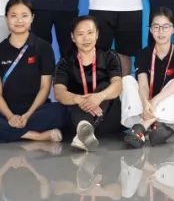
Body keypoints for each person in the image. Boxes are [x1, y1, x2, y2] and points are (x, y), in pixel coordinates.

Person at [0, 0, 66, 144]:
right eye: (13, 16)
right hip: (5, 111)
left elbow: (45, 88)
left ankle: (1, 132)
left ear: (32, 18)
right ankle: (35, 136)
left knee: (61, 111)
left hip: (35, 109)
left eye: (24, 15)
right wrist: (10, 117)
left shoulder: (44, 48)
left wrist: (27, 115)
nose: (19, 20)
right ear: (6, 19)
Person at [122, 6, 174, 147]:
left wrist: (155, 100)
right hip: (146, 111)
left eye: (165, 27)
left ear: (173, 29)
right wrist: (145, 103)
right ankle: (153, 127)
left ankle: (142, 127)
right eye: (156, 27)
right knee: (127, 80)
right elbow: (143, 84)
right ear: (150, 30)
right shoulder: (143, 54)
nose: (160, 31)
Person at [53, 14, 125, 151]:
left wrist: (98, 97)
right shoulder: (65, 63)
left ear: (97, 34)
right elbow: (59, 93)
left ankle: (83, 133)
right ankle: (84, 131)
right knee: (73, 100)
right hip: (76, 118)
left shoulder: (109, 56)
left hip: (108, 118)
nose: (86, 38)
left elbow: (117, 85)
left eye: (90, 33)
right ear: (73, 37)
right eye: (80, 34)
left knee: (105, 86)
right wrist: (79, 99)